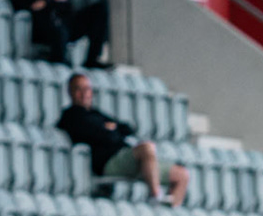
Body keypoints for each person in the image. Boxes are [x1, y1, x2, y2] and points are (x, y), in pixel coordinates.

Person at [56, 72, 189, 207]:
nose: (84, 93)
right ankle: (155, 195)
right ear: (70, 92)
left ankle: (168, 211)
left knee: (182, 175)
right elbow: (104, 136)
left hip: (126, 158)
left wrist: (111, 129)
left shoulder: (94, 113)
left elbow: (126, 128)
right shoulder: (71, 116)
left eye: (87, 89)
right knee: (147, 148)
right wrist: (110, 130)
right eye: (79, 89)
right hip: (108, 161)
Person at [10, 0, 107, 69]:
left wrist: (49, 3)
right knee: (58, 28)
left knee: (99, 10)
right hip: (42, 28)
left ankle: (92, 60)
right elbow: (30, 7)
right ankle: (59, 64)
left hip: (64, 22)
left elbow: (64, 2)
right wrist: (54, 1)